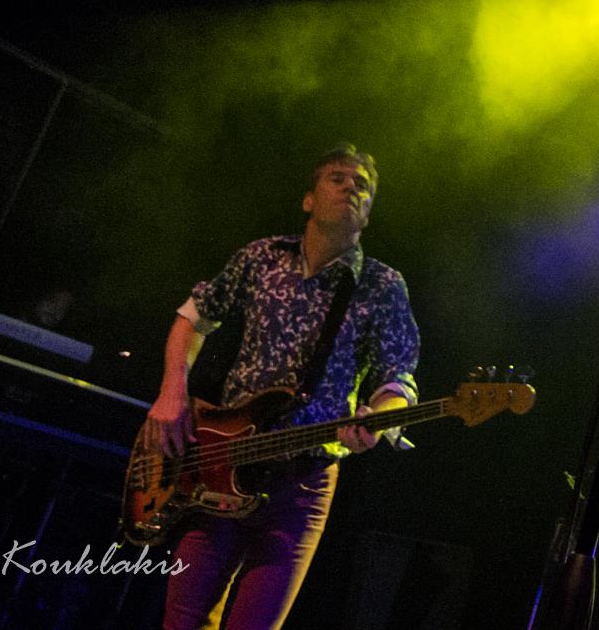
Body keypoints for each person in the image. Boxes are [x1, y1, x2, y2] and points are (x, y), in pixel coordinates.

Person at [142, 144, 421, 630]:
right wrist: (172, 394)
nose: (351, 187)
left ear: (368, 214)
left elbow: (397, 376)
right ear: (309, 199)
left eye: (362, 186)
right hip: (220, 461)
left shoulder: (382, 286)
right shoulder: (261, 257)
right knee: (182, 620)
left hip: (303, 483)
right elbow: (193, 318)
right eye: (337, 178)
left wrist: (378, 419)